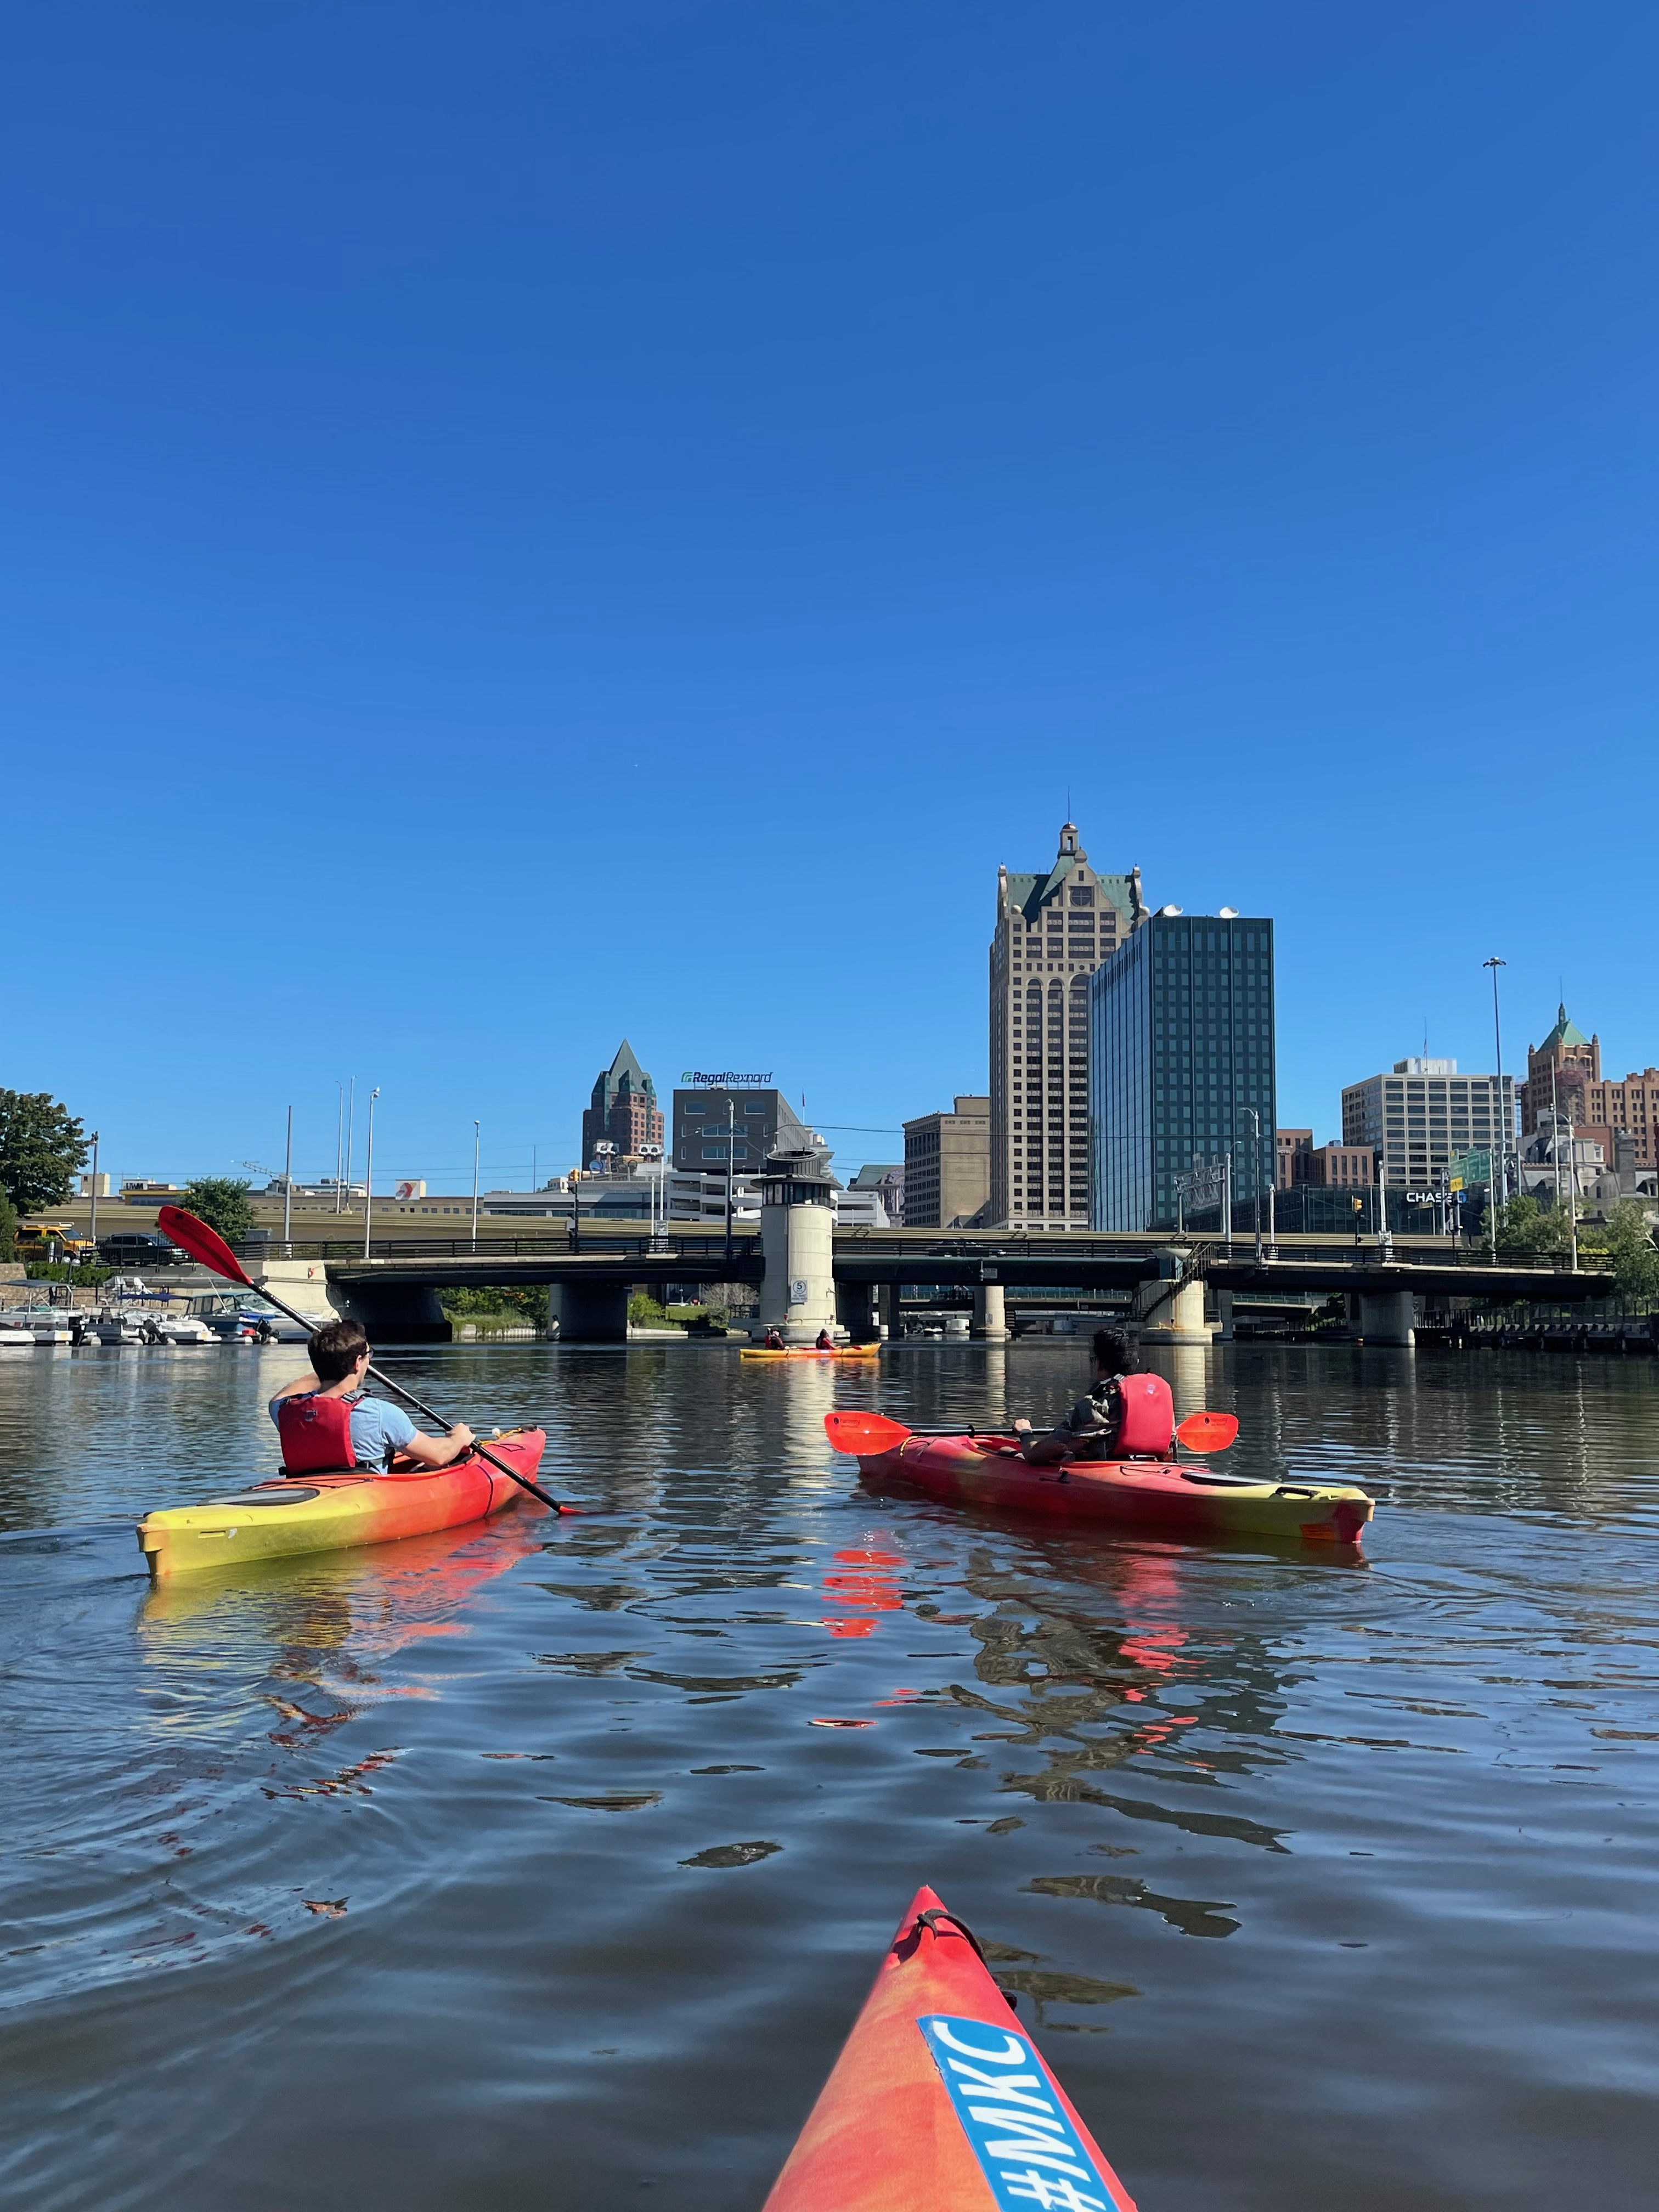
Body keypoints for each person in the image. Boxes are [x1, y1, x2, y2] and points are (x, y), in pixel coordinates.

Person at [268, 1316, 473, 1474]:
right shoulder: (379, 1413)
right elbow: (438, 1456)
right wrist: (458, 1438)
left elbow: (278, 1398)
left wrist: (327, 1365)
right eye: (369, 1355)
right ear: (358, 1362)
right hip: (364, 1497)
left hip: (309, 1491)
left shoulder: (286, 1411)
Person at [1012, 1327, 1173, 1464]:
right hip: (1153, 1470)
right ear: (1136, 1363)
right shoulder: (1159, 1399)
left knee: (1010, 1453)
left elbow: (1035, 1456)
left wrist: (1025, 1433)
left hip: (1110, 1474)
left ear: (1099, 1364)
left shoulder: (1095, 1405)